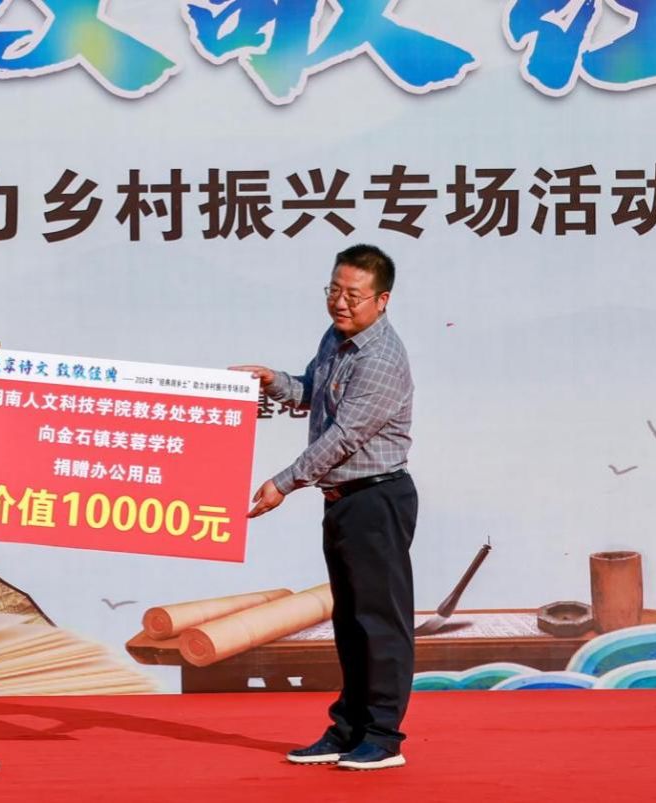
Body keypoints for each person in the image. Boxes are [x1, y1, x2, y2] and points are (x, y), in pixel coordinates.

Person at [232, 244, 418, 771]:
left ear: (382, 300)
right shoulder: (337, 338)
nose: (340, 302)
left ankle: (383, 736)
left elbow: (343, 436)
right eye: (334, 290)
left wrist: (282, 484)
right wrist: (273, 381)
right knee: (351, 622)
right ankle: (348, 728)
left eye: (353, 295)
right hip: (341, 500)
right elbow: (313, 391)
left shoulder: (381, 358)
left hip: (376, 498)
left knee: (380, 623)